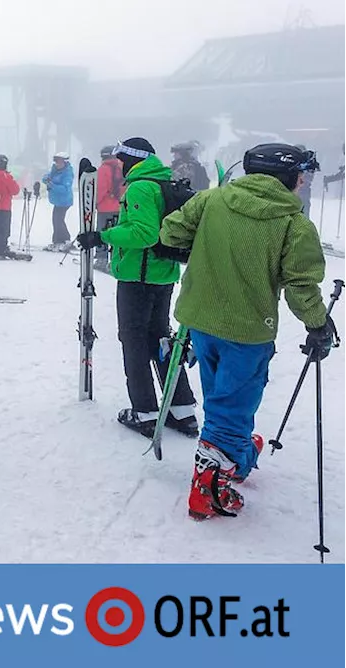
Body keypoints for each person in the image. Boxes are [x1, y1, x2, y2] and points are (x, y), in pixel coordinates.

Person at [159, 143, 330, 521]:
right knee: (231, 403)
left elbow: (171, 233)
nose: (304, 183)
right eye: (302, 176)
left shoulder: (211, 200)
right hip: (247, 329)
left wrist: (198, 246)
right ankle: (207, 491)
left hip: (200, 320)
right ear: (286, 177)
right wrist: (318, 324)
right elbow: (301, 286)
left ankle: (233, 449)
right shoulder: (293, 223)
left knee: (221, 395)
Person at [75, 137, 197, 439]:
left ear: (131, 158)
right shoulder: (161, 181)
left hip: (138, 277)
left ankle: (144, 411)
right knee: (161, 340)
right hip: (163, 275)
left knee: (134, 341)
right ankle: (182, 409)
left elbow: (143, 233)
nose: (119, 163)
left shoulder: (142, 186)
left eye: (121, 158)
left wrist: (103, 236)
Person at [95, 145, 123, 272]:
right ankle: (116, 259)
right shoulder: (121, 168)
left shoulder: (103, 170)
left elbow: (100, 189)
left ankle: (102, 259)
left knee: (103, 233)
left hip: (105, 208)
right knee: (116, 234)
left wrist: (95, 203)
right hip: (119, 207)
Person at [42, 152, 74, 251]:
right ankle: (58, 240)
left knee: (58, 220)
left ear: (65, 162)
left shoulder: (67, 173)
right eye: (56, 161)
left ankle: (65, 240)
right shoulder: (54, 170)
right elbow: (45, 177)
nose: (57, 164)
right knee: (56, 220)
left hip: (64, 201)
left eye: (60, 162)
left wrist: (52, 185)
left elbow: (65, 189)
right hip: (57, 201)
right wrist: (46, 180)